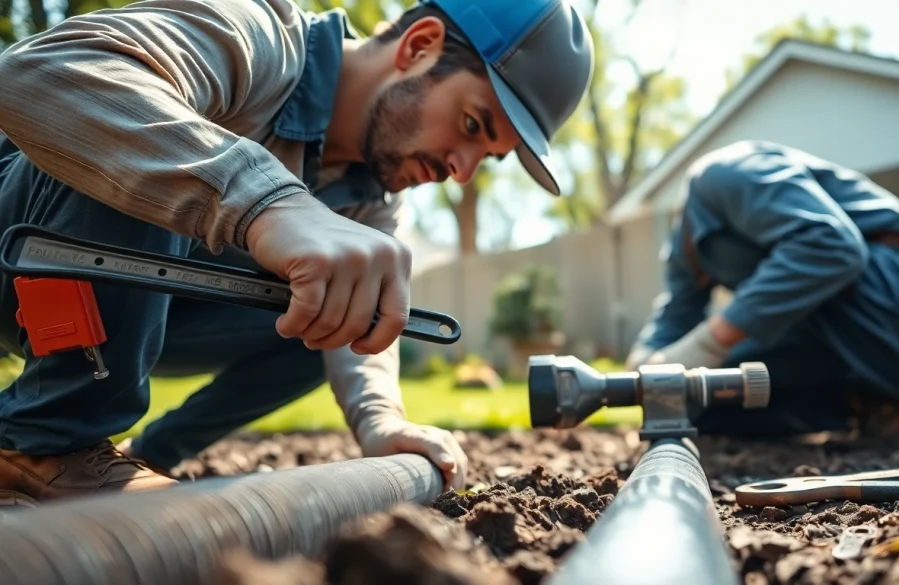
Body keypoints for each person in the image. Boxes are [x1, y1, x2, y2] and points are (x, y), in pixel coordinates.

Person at [0, 0, 594, 505]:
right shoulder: (257, 37)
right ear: (420, 45)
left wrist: (381, 419)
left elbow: (360, 341)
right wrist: (269, 203)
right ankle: (45, 441)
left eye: (486, 157)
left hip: (111, 303)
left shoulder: (370, 196)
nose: (461, 171)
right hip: (19, 242)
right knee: (139, 133)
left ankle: (135, 458)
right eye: (471, 124)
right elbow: (35, 73)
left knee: (338, 314)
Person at [625, 140, 899, 446]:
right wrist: (640, 372)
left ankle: (871, 394)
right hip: (888, 343)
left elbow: (832, 245)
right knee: (707, 405)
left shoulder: (720, 175)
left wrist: (712, 342)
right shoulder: (689, 258)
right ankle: (875, 403)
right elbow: (673, 319)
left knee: (729, 355)